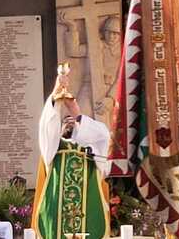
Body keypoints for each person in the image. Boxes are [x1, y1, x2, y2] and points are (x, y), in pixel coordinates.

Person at [31, 70, 111, 239]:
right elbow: (47, 127)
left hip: (88, 214)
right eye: (64, 121)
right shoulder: (52, 149)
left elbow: (103, 135)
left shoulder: (92, 148)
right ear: (58, 129)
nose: (68, 123)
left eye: (72, 122)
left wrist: (76, 113)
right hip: (56, 216)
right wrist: (55, 97)